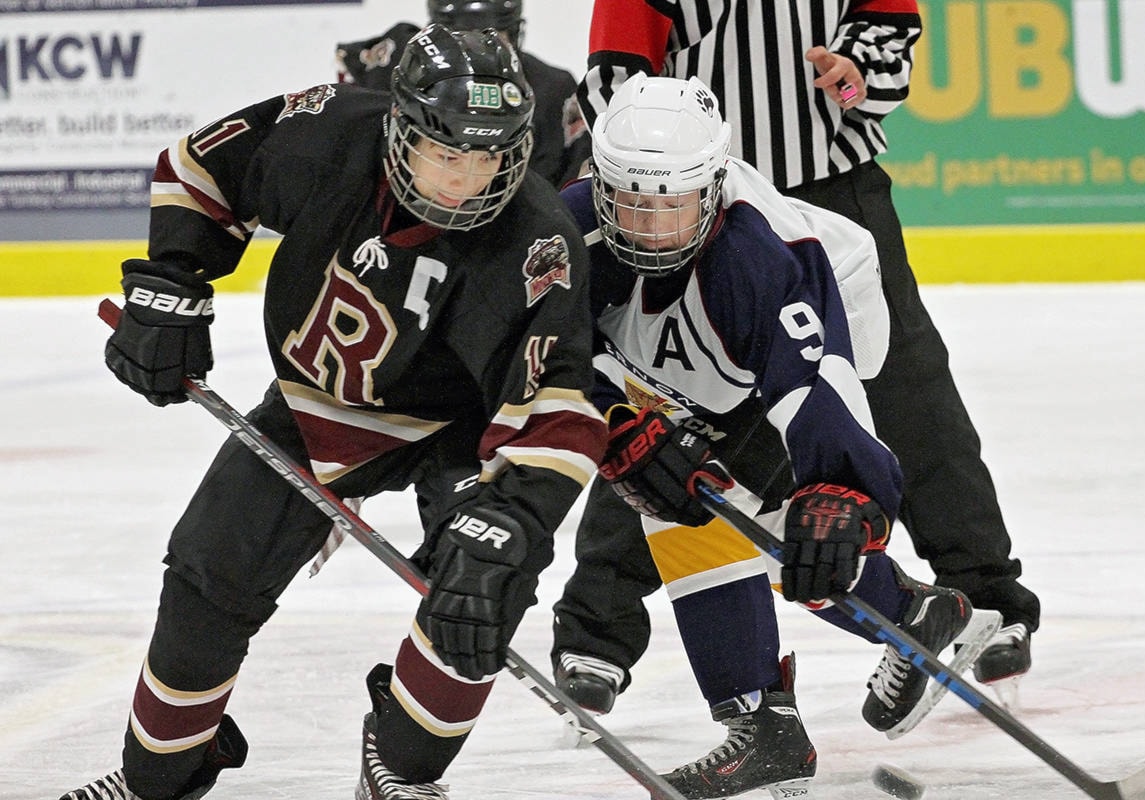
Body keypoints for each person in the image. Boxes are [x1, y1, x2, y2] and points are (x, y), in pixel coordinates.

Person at [58, 25, 607, 800]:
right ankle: (164, 775)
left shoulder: (537, 240)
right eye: (447, 155)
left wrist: (509, 526)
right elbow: (198, 167)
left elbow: (559, 413)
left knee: (483, 589)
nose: (467, 181)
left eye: (489, 157)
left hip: (454, 434)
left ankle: (400, 761)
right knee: (206, 578)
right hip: (313, 408)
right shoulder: (327, 131)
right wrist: (168, 286)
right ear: (400, 128)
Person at [553, 0, 1040, 714]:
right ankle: (599, 628)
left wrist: (851, 79)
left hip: (824, 194)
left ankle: (982, 594)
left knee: (906, 394)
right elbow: (615, 78)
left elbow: (887, 42)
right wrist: (653, 175)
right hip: (689, 203)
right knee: (663, 408)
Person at [335, 0, 590, 189]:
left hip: (510, 229)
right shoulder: (402, 63)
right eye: (458, 38)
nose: (478, 51)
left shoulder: (553, 89)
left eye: (493, 38)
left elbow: (572, 182)